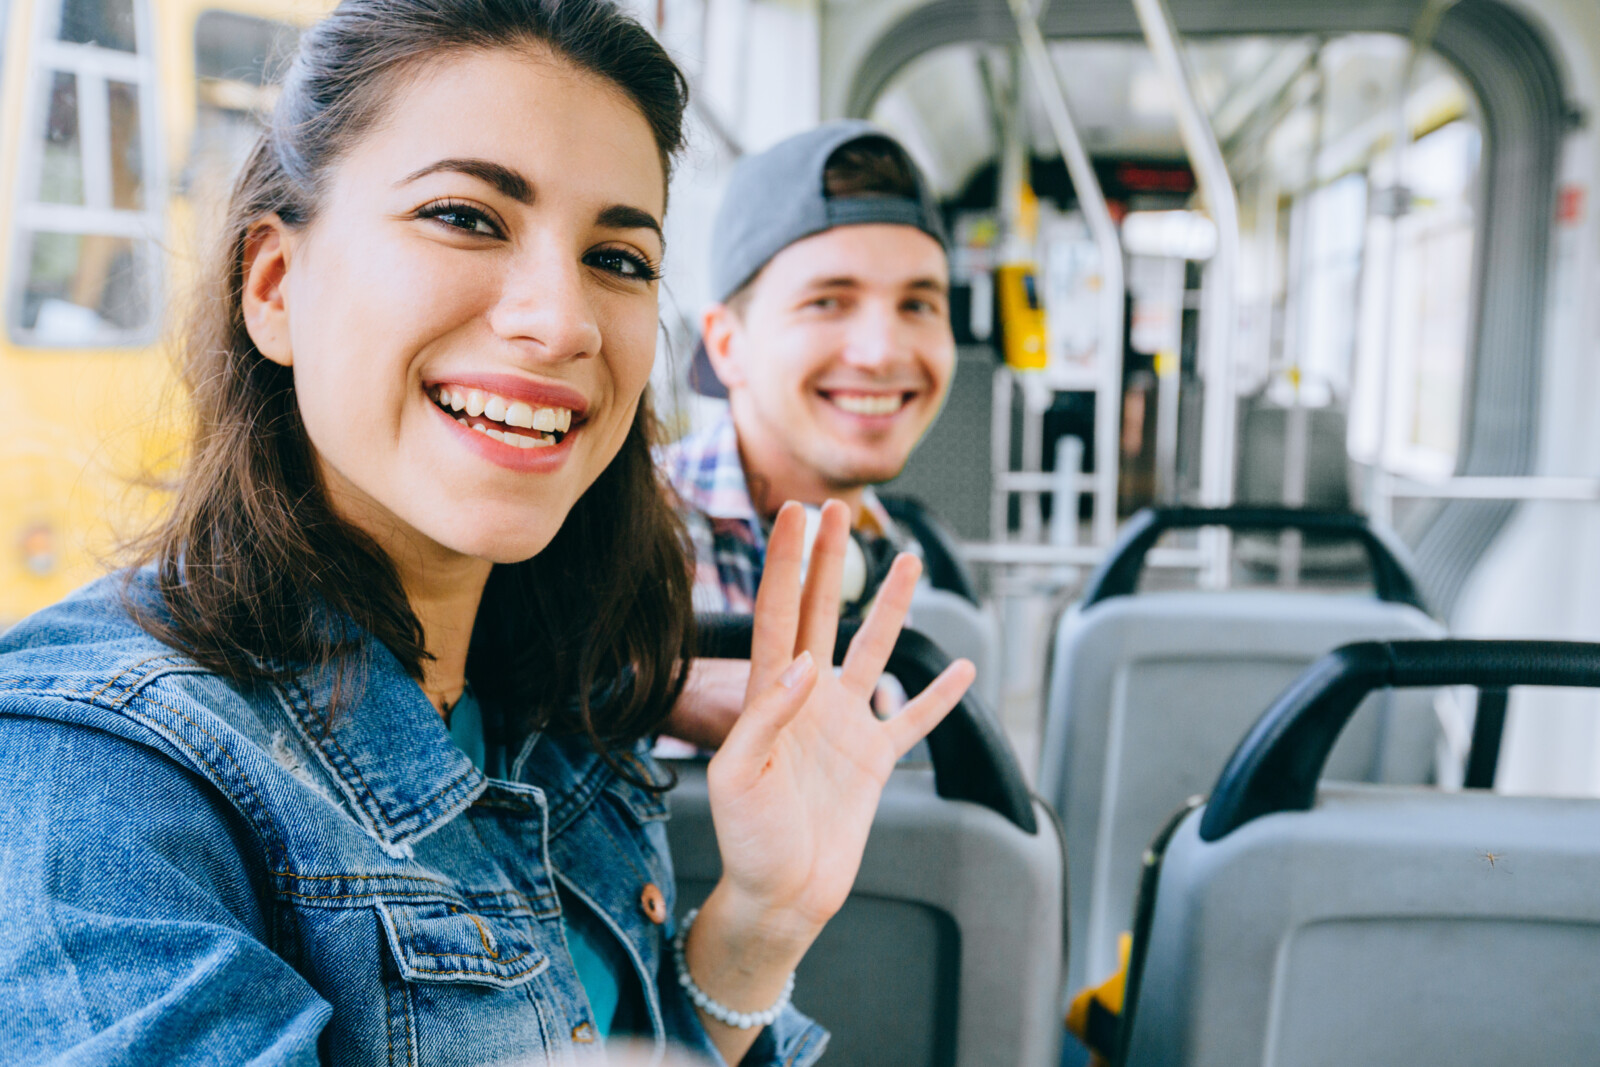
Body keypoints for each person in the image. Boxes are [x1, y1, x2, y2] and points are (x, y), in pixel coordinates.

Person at [0, 3, 973, 1064]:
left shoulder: (555, 708)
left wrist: (762, 921)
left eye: (619, 256)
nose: (563, 321)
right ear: (274, 285)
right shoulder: (92, 769)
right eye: (465, 216)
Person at [664, 121, 957, 619]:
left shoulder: (888, 554)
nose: (882, 353)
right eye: (827, 302)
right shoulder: (621, 538)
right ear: (726, 344)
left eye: (917, 305)